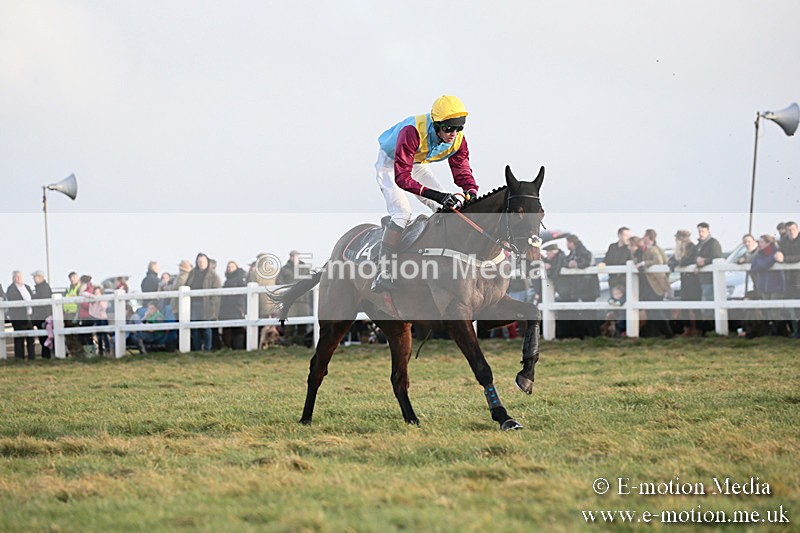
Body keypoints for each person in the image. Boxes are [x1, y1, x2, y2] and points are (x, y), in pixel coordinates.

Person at [372, 95, 479, 292]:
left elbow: (461, 169)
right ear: (437, 124)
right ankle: (383, 271)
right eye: (448, 129)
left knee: (447, 207)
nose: (453, 134)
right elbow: (402, 178)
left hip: (418, 163)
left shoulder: (458, 140)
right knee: (402, 213)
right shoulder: (412, 132)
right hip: (391, 164)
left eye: (458, 128)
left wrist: (470, 190)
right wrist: (438, 195)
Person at [560, 234, 600, 338]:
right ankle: (591, 334)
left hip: (587, 288)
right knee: (586, 312)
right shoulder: (574, 253)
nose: (566, 245)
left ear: (571, 243)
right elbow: (565, 262)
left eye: (567, 243)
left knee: (589, 313)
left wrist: (576, 264)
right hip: (584, 288)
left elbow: (586, 262)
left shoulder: (583, 252)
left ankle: (594, 334)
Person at [636, 229, 673, 338]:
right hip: (650, 284)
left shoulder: (654, 249)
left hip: (655, 284)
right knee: (651, 310)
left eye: (644, 236)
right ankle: (654, 334)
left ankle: (668, 333)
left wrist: (644, 263)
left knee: (655, 310)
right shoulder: (648, 249)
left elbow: (659, 261)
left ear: (648, 237)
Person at [750, 234, 786, 336]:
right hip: (764, 286)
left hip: (776, 286)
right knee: (767, 310)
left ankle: (781, 332)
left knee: (775, 311)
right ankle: (773, 332)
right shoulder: (759, 254)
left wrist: (766, 263)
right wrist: (771, 260)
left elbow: (761, 265)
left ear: (768, 243)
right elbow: (755, 268)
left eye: (761, 242)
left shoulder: (777, 252)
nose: (759, 244)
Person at [185, 253, 221, 351]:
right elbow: (186, 285)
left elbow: (216, 290)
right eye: (199, 261)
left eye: (203, 261)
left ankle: (207, 349)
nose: (201, 263)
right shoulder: (192, 273)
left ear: (207, 262)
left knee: (206, 327)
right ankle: (196, 349)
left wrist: (212, 303)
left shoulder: (213, 275)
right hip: (194, 304)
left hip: (206, 305)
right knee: (195, 328)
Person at [691, 222, 723, 333]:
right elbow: (693, 256)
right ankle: (707, 329)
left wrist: (704, 262)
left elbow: (716, 257)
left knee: (708, 302)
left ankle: (711, 329)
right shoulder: (699, 244)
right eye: (699, 231)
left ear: (708, 231)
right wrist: (696, 261)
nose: (701, 234)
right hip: (701, 279)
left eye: (703, 231)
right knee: (705, 303)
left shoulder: (713, 243)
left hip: (709, 279)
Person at [668, 229, 701, 336]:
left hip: (693, 281)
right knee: (685, 305)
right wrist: (673, 263)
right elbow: (671, 260)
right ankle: (688, 328)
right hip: (685, 281)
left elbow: (686, 261)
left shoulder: (692, 247)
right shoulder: (678, 250)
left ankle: (698, 328)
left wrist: (677, 263)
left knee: (695, 305)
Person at [276, 251, 313, 345]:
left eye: (296, 256)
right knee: (289, 324)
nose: (295, 258)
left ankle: (301, 344)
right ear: (290, 257)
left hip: (304, 300)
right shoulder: (284, 269)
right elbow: (278, 283)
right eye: (293, 256)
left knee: (303, 324)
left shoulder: (305, 268)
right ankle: (288, 344)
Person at [774, 220, 800, 338]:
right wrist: (778, 254)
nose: (791, 232)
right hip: (790, 279)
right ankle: (795, 330)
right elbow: (780, 251)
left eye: (793, 229)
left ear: (798, 229)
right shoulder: (784, 241)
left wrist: (785, 259)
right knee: (792, 305)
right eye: (789, 230)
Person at [6, 271, 36, 359]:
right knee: (19, 339)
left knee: (31, 338)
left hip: (29, 316)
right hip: (19, 317)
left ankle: (32, 357)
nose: (19, 278)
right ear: (13, 278)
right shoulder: (11, 289)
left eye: (20, 276)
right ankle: (19, 358)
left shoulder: (27, 287)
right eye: (17, 277)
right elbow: (13, 300)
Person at [219, 260, 247, 350]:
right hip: (227, 309)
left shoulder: (239, 279)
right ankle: (229, 348)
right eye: (228, 267)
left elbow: (242, 295)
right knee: (227, 330)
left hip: (236, 308)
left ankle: (238, 348)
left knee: (237, 329)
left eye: (232, 267)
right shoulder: (227, 281)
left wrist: (240, 307)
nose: (230, 269)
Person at [31, 270, 52, 359]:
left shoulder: (43, 288)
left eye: (35, 277)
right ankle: (45, 356)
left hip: (42, 317)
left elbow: (43, 303)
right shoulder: (41, 288)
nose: (33, 279)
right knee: (43, 338)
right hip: (40, 317)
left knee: (44, 338)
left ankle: (46, 356)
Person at [89, 286, 110, 355]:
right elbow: (91, 311)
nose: (97, 294)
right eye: (95, 292)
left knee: (104, 335)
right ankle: (100, 350)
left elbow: (104, 307)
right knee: (98, 336)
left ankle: (107, 348)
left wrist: (99, 301)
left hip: (103, 319)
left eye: (98, 292)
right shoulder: (93, 302)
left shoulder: (103, 300)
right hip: (97, 319)